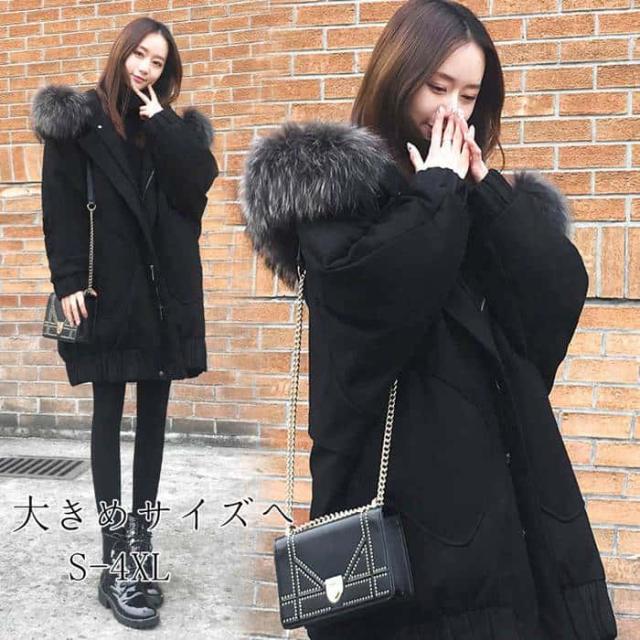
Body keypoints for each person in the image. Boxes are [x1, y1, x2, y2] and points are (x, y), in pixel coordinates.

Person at [239, 1, 617, 638]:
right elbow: (377, 299)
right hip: (405, 503)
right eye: (438, 88)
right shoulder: (336, 196)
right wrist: (436, 190)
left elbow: (553, 298)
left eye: (469, 95)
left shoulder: (476, 197)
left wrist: (486, 189)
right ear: (397, 77)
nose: (453, 111)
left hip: (507, 490)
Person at [31, 16, 218, 630]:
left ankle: (142, 543)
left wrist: (161, 123)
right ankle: (115, 557)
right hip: (106, 293)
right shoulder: (79, 121)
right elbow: (58, 205)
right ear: (121, 53)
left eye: (158, 61)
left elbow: (197, 188)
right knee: (108, 414)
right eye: (139, 54)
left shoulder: (167, 128)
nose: (145, 68)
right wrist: (67, 280)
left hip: (161, 298)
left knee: (155, 418)